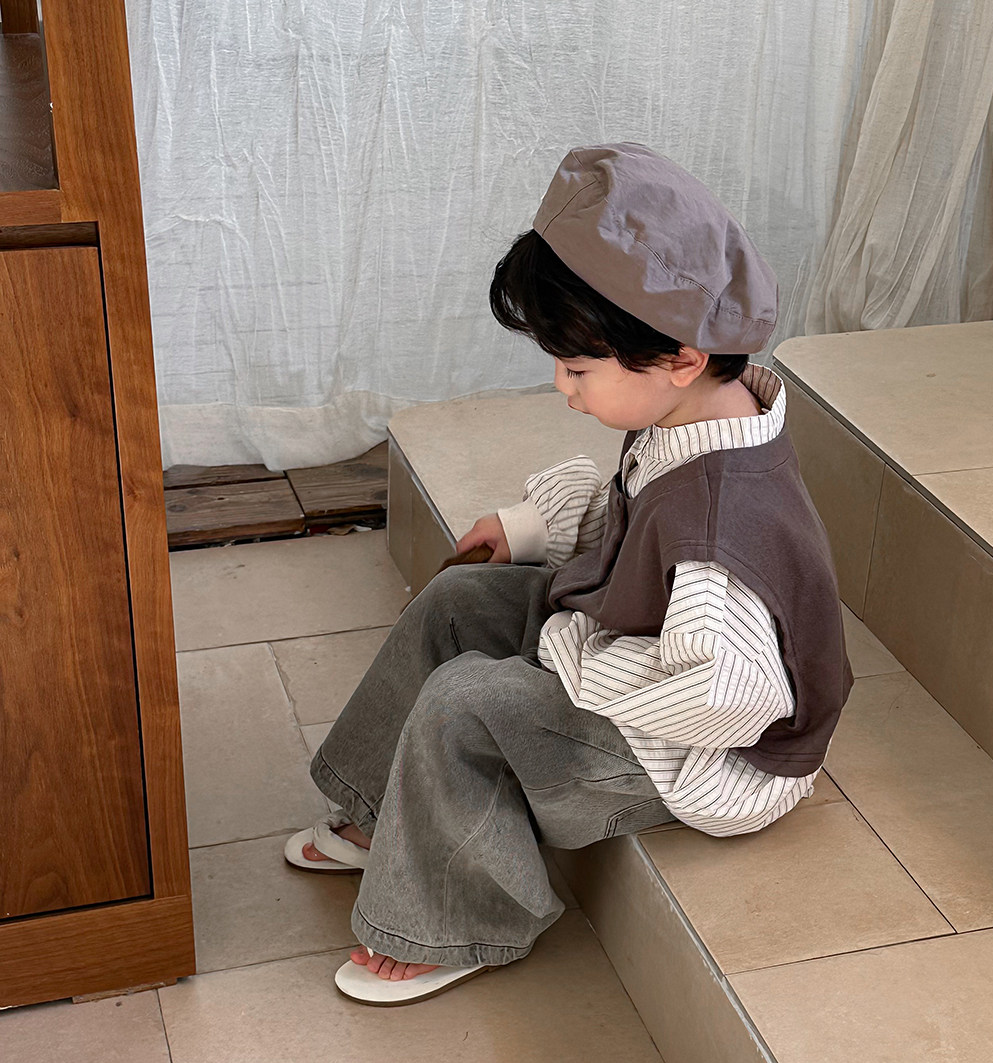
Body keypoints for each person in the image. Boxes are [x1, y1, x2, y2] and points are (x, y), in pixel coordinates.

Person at [283, 142, 853, 1006]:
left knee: (469, 701)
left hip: (701, 757)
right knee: (458, 603)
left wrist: (575, 658)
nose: (562, 386)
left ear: (680, 357)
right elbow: (635, 519)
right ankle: (377, 807)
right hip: (648, 662)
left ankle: (453, 919)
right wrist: (530, 528)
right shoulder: (695, 413)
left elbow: (730, 694)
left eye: (578, 368)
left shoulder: (718, 524)